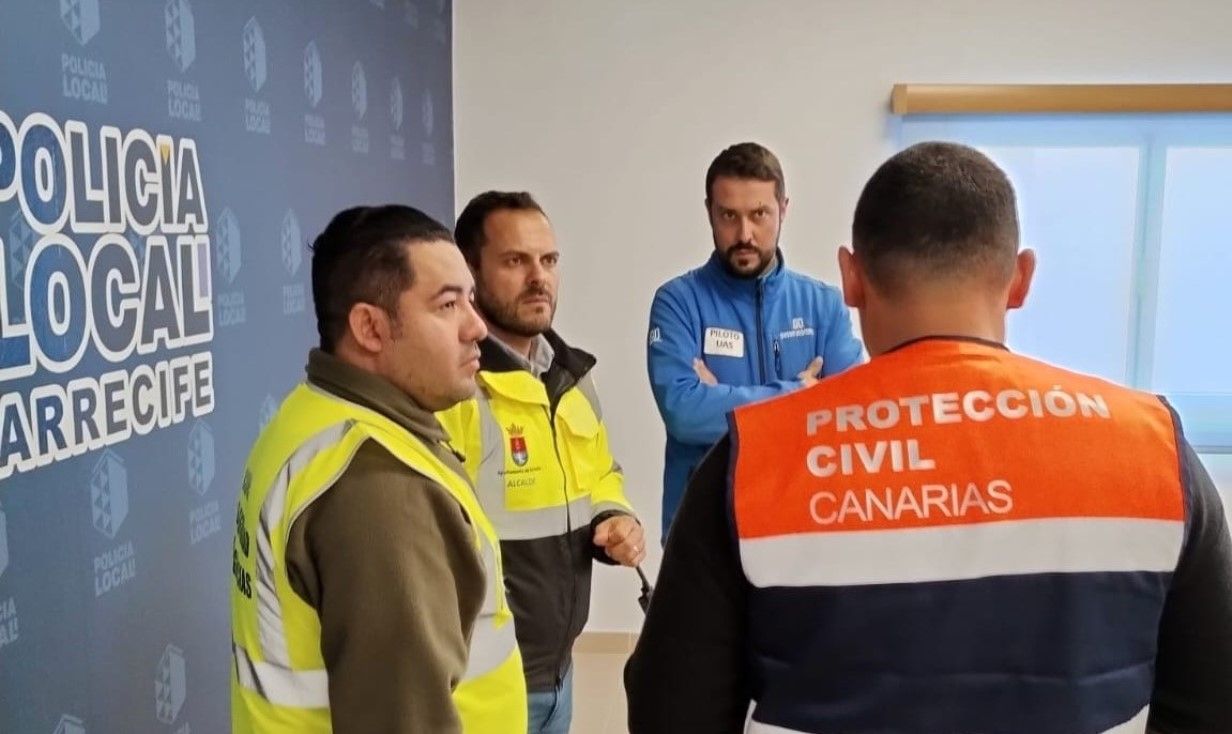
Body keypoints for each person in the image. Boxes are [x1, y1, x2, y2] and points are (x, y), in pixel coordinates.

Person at [625, 142, 1232, 733]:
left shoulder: (750, 461)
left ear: (852, 280)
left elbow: (671, 710)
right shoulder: (1155, 448)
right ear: (1021, 280)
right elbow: (1211, 699)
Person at [230, 205, 527, 733]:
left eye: (471, 300)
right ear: (369, 327)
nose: (477, 327)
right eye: (447, 304)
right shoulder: (380, 488)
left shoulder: (314, 415)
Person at [439, 191, 645, 733]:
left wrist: (613, 519)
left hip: (558, 672)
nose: (539, 278)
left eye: (548, 261)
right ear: (469, 271)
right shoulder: (455, 390)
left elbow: (602, 473)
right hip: (484, 681)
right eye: (515, 261)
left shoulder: (572, 376)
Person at [646, 141, 864, 536]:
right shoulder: (677, 302)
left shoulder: (824, 305)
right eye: (728, 215)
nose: (744, 233)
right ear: (709, 212)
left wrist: (723, 397)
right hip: (704, 534)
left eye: (759, 214)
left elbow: (849, 415)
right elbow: (685, 413)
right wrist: (802, 395)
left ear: (783, 210)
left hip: (803, 525)